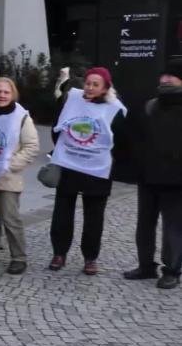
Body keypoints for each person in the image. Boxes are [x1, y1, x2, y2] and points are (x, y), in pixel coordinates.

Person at [48, 67, 126, 275]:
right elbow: (58, 127)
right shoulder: (71, 100)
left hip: (97, 170)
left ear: (105, 88)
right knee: (62, 212)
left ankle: (90, 258)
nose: (90, 88)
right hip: (69, 165)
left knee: (94, 216)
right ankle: (59, 253)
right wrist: (66, 150)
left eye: (95, 84)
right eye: (88, 83)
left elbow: (121, 141)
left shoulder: (114, 109)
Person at [123, 60, 182, 288]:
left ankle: (172, 270)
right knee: (144, 224)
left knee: (173, 228)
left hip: (176, 181)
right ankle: (146, 266)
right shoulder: (150, 106)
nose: (166, 79)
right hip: (148, 177)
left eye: (173, 76)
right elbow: (135, 138)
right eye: (164, 75)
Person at [0, 78, 39, 274]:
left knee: (10, 217)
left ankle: (18, 257)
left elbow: (32, 146)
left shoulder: (21, 117)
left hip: (8, 175)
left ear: (13, 94)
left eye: (6, 92)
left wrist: (10, 164)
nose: (2, 96)